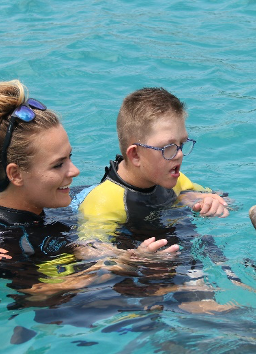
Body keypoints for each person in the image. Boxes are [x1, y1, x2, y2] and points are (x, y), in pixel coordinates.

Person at [0, 80, 178, 304]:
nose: (75, 171)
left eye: (70, 157)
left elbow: (77, 245)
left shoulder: (55, 208)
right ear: (15, 175)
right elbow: (32, 294)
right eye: (58, 165)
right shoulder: (6, 244)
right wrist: (102, 272)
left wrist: (129, 257)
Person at [76, 87, 236, 313]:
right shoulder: (104, 202)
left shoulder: (173, 179)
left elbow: (221, 198)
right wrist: (133, 258)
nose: (179, 153)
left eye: (182, 143)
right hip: (138, 269)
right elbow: (87, 252)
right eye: (168, 147)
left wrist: (211, 200)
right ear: (135, 155)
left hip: (172, 252)